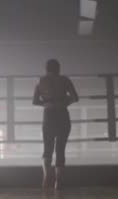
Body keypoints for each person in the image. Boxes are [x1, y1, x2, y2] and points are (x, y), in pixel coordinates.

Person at [33, 59, 79, 189]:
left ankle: (46, 178)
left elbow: (35, 101)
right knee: (60, 148)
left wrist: (47, 103)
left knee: (48, 147)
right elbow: (75, 97)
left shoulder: (41, 81)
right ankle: (58, 181)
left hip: (48, 115)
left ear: (46, 69)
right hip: (62, 114)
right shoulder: (65, 80)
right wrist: (64, 102)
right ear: (58, 68)